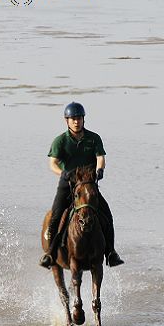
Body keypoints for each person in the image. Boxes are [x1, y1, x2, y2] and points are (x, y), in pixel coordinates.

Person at [39, 102, 125, 269]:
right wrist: (62, 173)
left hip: (88, 185)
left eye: (78, 118)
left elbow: (100, 157)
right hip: (68, 184)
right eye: (72, 119)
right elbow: (52, 163)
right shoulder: (60, 141)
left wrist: (100, 170)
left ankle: (111, 253)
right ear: (67, 121)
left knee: (107, 215)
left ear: (83, 119)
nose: (76, 122)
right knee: (56, 215)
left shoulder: (93, 138)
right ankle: (50, 253)